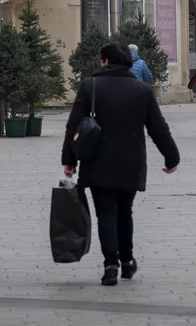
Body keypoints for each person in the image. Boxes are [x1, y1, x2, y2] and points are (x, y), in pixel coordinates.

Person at [63, 43, 179, 286]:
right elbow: (158, 128)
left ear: (105, 61)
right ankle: (127, 261)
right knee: (125, 212)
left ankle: (111, 265)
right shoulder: (142, 90)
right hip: (131, 161)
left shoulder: (90, 86)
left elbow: (73, 126)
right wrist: (171, 157)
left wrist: (69, 160)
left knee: (106, 212)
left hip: (97, 161)